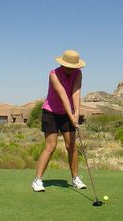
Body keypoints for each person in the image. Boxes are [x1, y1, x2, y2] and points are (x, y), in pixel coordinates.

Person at [31, 49, 87, 192]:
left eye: (73, 67)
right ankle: (37, 180)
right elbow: (63, 96)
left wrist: (76, 115)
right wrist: (71, 115)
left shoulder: (78, 74)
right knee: (51, 146)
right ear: (63, 64)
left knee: (72, 146)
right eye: (68, 66)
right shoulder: (53, 74)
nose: (70, 69)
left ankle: (76, 178)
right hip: (50, 112)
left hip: (66, 113)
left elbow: (76, 93)